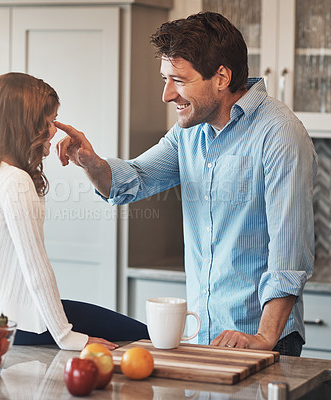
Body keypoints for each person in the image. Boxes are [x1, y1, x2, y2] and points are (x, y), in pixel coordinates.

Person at [55, 12, 318, 356]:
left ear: (221, 77)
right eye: (165, 79)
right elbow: (132, 181)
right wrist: (91, 163)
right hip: (204, 335)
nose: (166, 95)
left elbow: (289, 255)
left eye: (178, 80)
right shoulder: (188, 134)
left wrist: (264, 338)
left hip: (261, 341)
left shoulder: (280, 134)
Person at [0, 72, 149, 351]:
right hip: (14, 325)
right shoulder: (15, 181)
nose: (55, 130)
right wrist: (67, 336)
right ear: (26, 124)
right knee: (145, 334)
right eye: (49, 121)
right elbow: (35, 267)